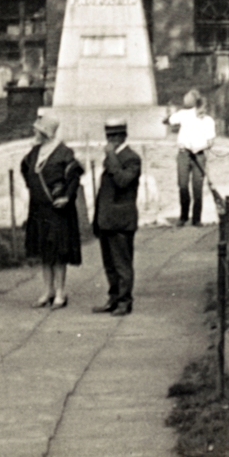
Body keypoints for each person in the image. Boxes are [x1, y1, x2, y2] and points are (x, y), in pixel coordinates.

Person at [20, 116, 83, 309]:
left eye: (37, 130)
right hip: (39, 209)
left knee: (58, 251)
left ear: (45, 132)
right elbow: (25, 169)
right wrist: (34, 189)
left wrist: (65, 196)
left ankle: (60, 293)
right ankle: (48, 291)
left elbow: (74, 177)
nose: (34, 133)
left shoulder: (64, 152)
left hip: (57, 210)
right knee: (44, 251)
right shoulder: (35, 152)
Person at [92, 118, 142, 316]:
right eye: (108, 136)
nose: (110, 140)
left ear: (123, 136)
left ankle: (124, 301)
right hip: (107, 220)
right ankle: (113, 298)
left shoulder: (132, 158)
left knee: (122, 264)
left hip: (121, 221)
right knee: (110, 264)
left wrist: (111, 156)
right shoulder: (113, 158)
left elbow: (122, 181)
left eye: (114, 136)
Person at [166, 90, 215, 226]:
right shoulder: (184, 115)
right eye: (200, 110)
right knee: (182, 185)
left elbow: (211, 142)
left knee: (197, 188)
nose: (202, 114)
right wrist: (168, 118)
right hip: (184, 155)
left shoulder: (209, 121)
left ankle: (196, 219)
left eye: (205, 111)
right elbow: (170, 120)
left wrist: (199, 147)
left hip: (199, 156)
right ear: (196, 107)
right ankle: (183, 216)